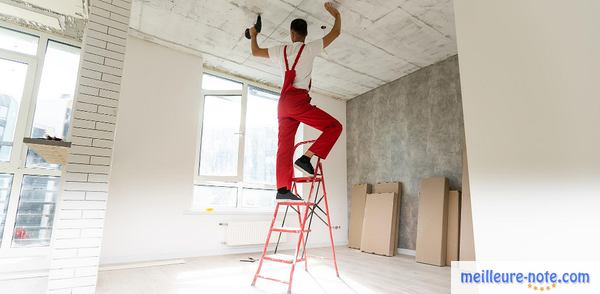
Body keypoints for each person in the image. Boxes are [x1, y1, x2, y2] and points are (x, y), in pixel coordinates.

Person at [248, 2, 343, 202]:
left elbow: (255, 52)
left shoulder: (280, 50)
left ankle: (282, 189)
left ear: (292, 34)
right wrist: (336, 15)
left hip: (282, 103)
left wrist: (254, 34)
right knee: (334, 126)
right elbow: (336, 33)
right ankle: (306, 158)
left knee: (284, 147)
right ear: (305, 35)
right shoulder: (309, 49)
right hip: (298, 102)